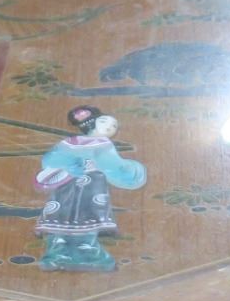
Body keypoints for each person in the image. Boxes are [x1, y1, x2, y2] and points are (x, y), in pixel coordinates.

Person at [34, 105, 147, 272]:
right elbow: (50, 159)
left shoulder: (91, 143)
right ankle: (63, 254)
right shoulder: (78, 143)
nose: (110, 127)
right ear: (93, 123)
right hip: (72, 184)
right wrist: (133, 171)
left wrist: (130, 170)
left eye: (114, 125)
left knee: (80, 216)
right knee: (68, 215)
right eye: (104, 121)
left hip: (86, 185)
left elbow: (112, 166)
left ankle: (77, 253)